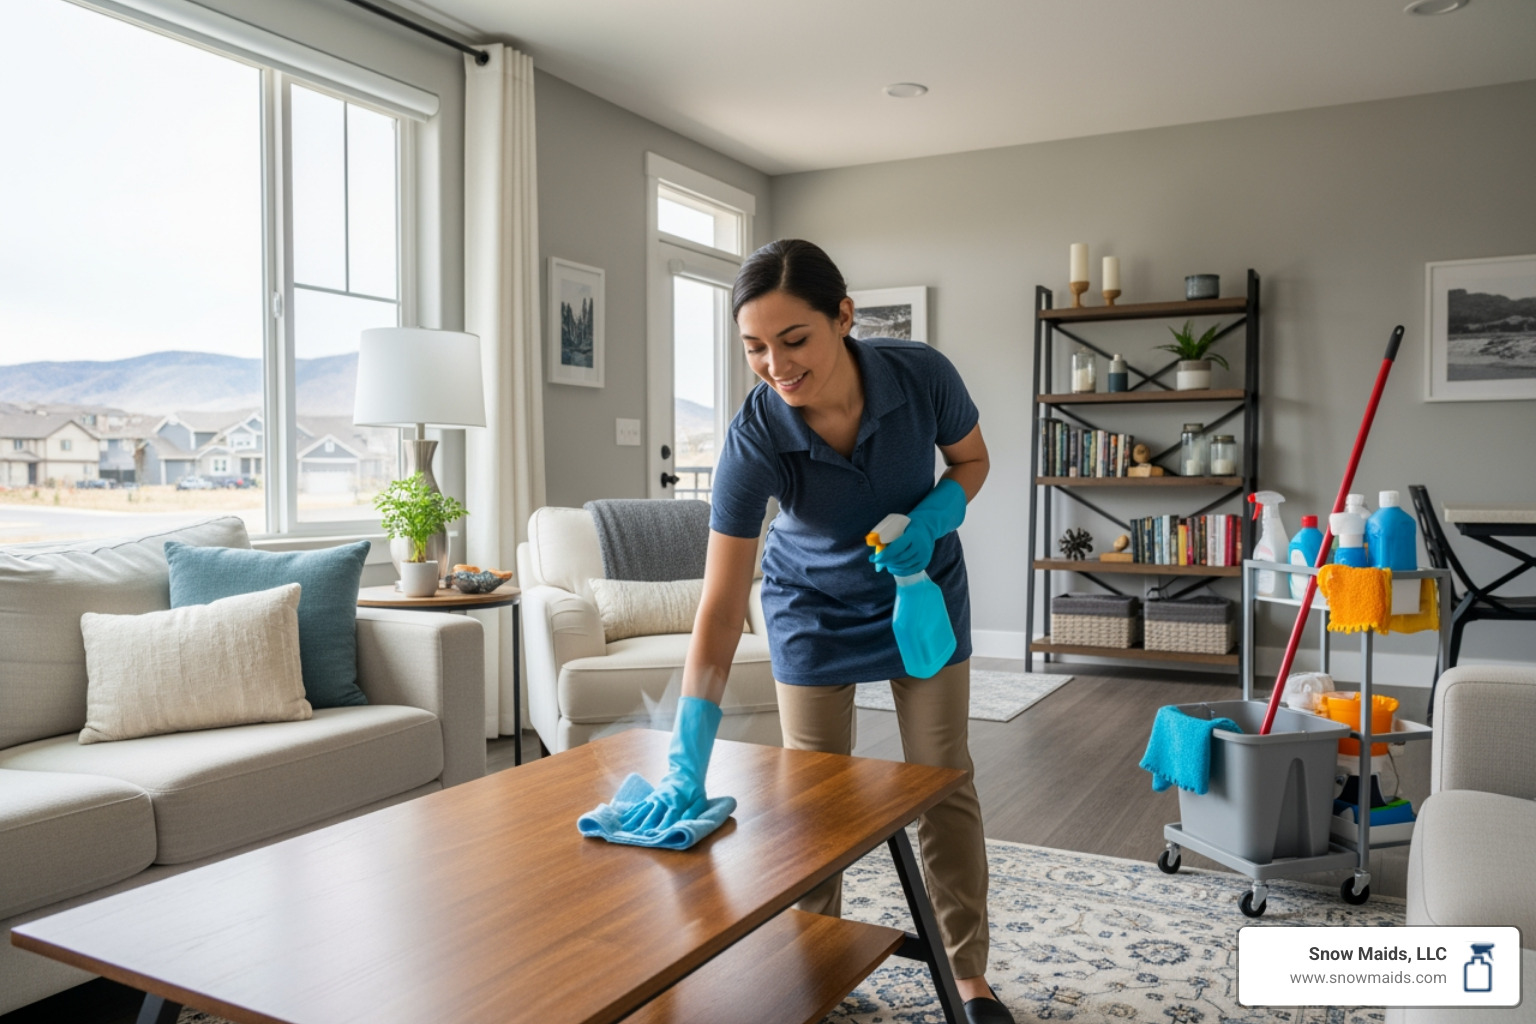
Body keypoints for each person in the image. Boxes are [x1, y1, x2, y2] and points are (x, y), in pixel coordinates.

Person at [605, 239, 1010, 1024]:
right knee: (815, 804)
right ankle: (814, 973)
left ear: (844, 318)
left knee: (942, 782)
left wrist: (935, 516)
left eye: (794, 340)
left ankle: (967, 975)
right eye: (755, 347)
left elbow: (972, 461)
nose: (776, 365)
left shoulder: (922, 375)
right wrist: (689, 748)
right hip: (812, 611)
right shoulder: (755, 438)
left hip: (920, 591)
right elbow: (722, 606)